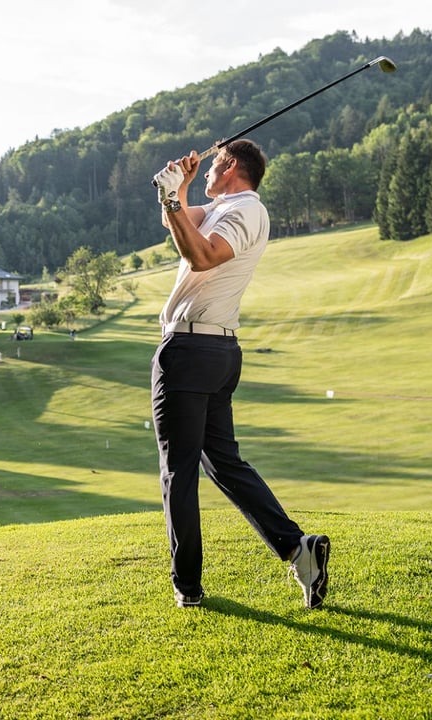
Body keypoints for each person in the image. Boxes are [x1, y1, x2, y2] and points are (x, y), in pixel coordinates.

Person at [149, 139, 330, 609]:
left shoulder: (246, 210)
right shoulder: (225, 207)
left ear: (230, 165)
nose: (206, 170)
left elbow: (201, 256)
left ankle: (187, 586)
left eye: (212, 164)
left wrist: (174, 198)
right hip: (212, 349)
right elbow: (181, 225)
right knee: (221, 462)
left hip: (192, 349)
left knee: (178, 472)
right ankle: (297, 549)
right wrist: (179, 191)